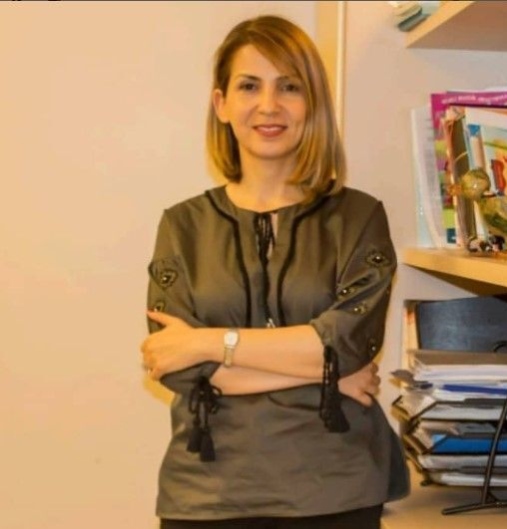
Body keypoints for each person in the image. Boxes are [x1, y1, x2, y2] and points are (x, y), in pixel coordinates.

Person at [141, 14, 409, 529]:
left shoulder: (358, 217)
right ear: (221, 103)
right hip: (205, 495)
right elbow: (177, 367)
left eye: (289, 86)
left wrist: (210, 342)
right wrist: (326, 375)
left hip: (337, 489)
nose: (269, 105)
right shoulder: (182, 225)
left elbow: (347, 345)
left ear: (313, 103)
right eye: (249, 86)